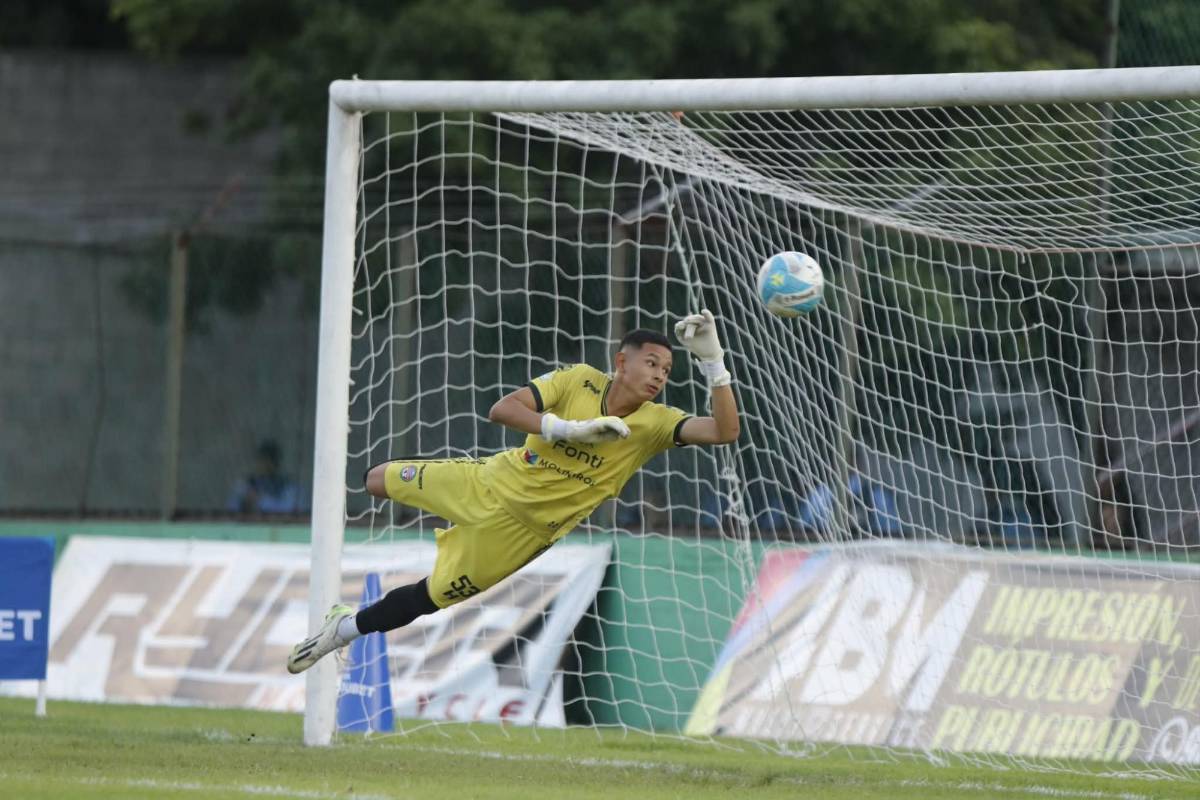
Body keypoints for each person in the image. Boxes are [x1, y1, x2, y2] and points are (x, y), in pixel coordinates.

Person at [287, 311, 741, 673]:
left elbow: (724, 431)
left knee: (429, 598)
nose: (660, 375)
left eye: (667, 369)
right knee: (375, 479)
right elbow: (503, 409)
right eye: (651, 363)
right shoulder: (578, 380)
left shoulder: (656, 424)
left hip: (520, 536)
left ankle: (341, 631)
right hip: (487, 482)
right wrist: (571, 429)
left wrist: (714, 365)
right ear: (621, 363)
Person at [227, 439, 302, 514]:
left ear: (275, 463)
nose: (263, 465)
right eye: (260, 460)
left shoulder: (289, 487)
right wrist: (244, 502)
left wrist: (260, 500)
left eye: (268, 461)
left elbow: (289, 511)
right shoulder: (245, 485)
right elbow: (231, 510)